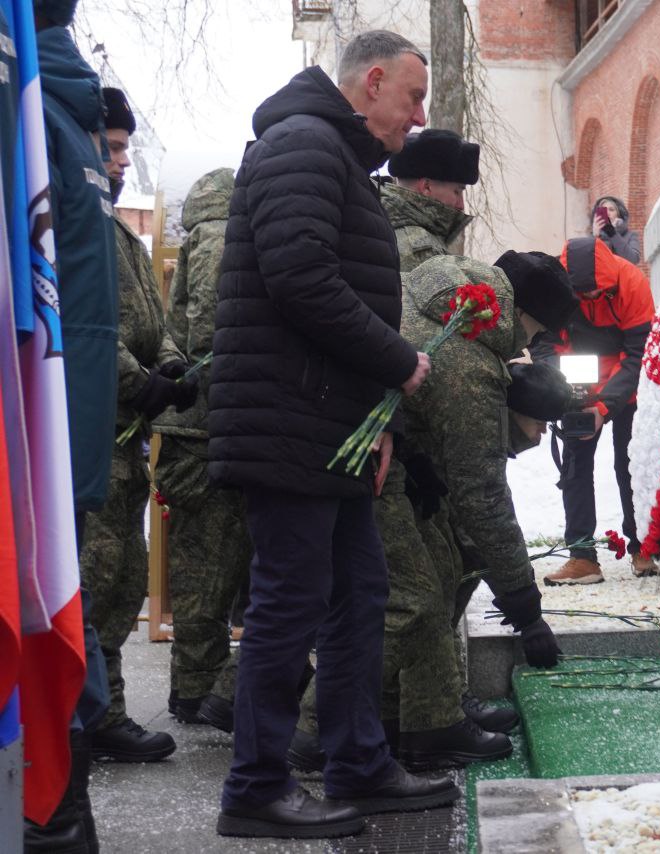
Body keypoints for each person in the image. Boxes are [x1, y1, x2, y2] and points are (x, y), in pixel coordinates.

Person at [207, 31, 454, 840]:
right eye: (412, 98)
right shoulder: (304, 143)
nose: (418, 119)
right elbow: (301, 275)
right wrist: (400, 362)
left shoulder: (332, 154)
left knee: (358, 594)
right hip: (290, 423)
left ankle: (358, 763)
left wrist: (373, 414)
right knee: (290, 603)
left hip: (326, 423)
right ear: (372, 81)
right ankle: (255, 787)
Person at [291, 127, 515, 771]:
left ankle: (418, 715)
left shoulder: (389, 231)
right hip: (377, 432)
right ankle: (326, 728)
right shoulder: (410, 247)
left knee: (409, 588)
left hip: (388, 429)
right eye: (454, 188)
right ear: (424, 188)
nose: (460, 203)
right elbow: (404, 333)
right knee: (401, 596)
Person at [386, 250, 577, 772]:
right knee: (415, 598)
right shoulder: (472, 364)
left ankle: (422, 719)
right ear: (516, 312)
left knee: (437, 579)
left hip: (390, 460)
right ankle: (330, 728)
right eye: (532, 332)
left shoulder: (448, 310)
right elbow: (483, 499)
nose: (524, 347)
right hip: (362, 467)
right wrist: (525, 610)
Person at [24, 1, 117, 848]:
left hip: (36, 428)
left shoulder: (33, 111)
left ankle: (53, 814)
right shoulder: (66, 115)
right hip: (65, 429)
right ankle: (60, 813)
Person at [80, 87, 193, 764]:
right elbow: (87, 327)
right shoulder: (75, 223)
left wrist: (173, 369)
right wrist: (139, 382)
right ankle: (80, 715)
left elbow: (155, 318)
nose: (121, 160)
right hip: (95, 432)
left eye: (126, 147)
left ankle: (101, 713)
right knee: (92, 579)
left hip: (129, 435)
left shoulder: (116, 228)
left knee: (121, 580)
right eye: (111, 145)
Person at [152, 166, 249, 734]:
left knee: (202, 566)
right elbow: (219, 328)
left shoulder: (202, 234)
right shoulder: (219, 236)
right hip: (207, 424)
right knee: (210, 566)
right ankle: (200, 690)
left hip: (196, 424)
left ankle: (195, 687)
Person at [541, 237, 658, 585]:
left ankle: (642, 546)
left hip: (625, 387)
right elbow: (546, 344)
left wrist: (605, 404)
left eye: (597, 292)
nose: (590, 299)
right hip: (577, 385)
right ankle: (581, 555)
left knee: (630, 464)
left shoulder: (632, 282)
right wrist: (562, 389)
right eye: (582, 295)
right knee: (575, 468)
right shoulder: (553, 287)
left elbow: (639, 353)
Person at [384, 128, 477, 268]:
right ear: (426, 187)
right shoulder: (420, 248)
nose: (461, 205)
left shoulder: (379, 222)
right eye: (457, 192)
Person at [590, 195, 641, 264]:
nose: (607, 213)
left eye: (611, 210)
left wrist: (613, 233)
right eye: (604, 210)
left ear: (619, 214)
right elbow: (589, 262)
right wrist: (595, 237)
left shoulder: (631, 235)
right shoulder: (593, 237)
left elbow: (633, 260)